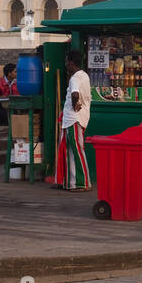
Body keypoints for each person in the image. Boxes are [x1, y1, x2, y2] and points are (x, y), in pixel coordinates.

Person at [54, 49, 92, 190]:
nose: (65, 64)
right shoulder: (84, 76)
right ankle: (72, 182)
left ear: (70, 62)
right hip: (77, 118)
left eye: (66, 61)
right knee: (69, 150)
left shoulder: (75, 78)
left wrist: (75, 103)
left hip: (73, 119)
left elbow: (75, 94)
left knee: (76, 150)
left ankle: (84, 182)